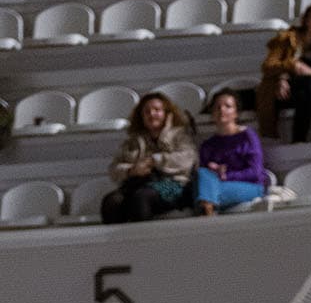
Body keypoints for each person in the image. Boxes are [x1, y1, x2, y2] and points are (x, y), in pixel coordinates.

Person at [100, 92, 196, 224]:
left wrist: (154, 160)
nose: (152, 114)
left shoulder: (179, 135)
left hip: (174, 185)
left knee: (141, 198)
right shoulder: (133, 141)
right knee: (111, 201)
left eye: (157, 110)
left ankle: (144, 243)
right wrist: (132, 170)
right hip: (139, 184)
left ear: (167, 114)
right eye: (147, 111)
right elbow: (114, 168)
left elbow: (187, 160)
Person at [256, 0, 311, 141]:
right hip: (282, 91)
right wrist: (288, 69)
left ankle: (300, 139)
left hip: (309, 91)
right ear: (305, 19)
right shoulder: (289, 38)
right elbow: (268, 65)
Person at [194, 89, 269, 215]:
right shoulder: (207, 145)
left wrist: (226, 175)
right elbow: (205, 176)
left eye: (228, 106)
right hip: (215, 188)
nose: (222, 110)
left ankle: (207, 212)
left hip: (250, 186)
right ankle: (208, 209)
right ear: (212, 113)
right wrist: (215, 171)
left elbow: (255, 172)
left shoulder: (247, 136)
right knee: (203, 174)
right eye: (217, 107)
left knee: (205, 194)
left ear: (236, 113)